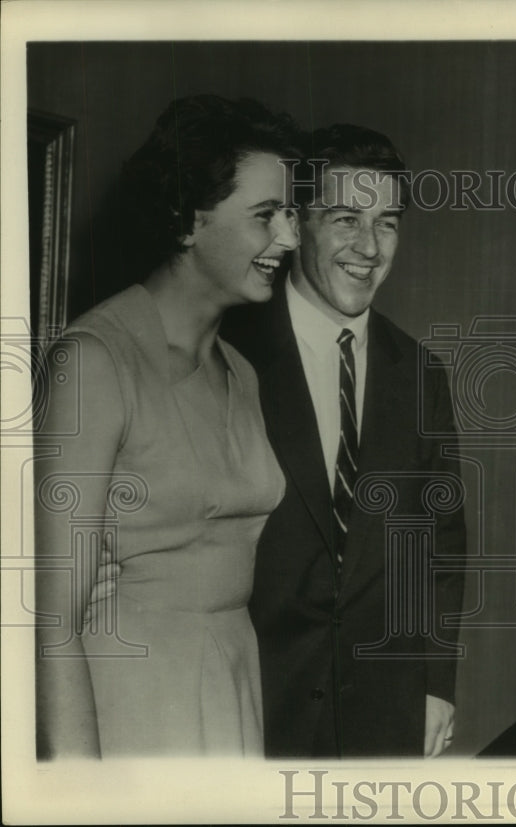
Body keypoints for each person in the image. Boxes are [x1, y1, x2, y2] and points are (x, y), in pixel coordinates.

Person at [34, 95, 299, 758]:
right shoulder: (94, 360)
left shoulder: (242, 370)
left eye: (289, 213)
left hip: (233, 680)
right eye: (267, 215)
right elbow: (50, 622)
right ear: (187, 220)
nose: (290, 238)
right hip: (134, 698)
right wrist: (78, 793)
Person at [222, 124, 467, 758]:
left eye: (387, 222)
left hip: (385, 709)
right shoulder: (229, 352)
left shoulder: (421, 373)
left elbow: (439, 543)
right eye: (345, 218)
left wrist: (437, 685)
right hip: (253, 704)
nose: (369, 246)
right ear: (298, 222)